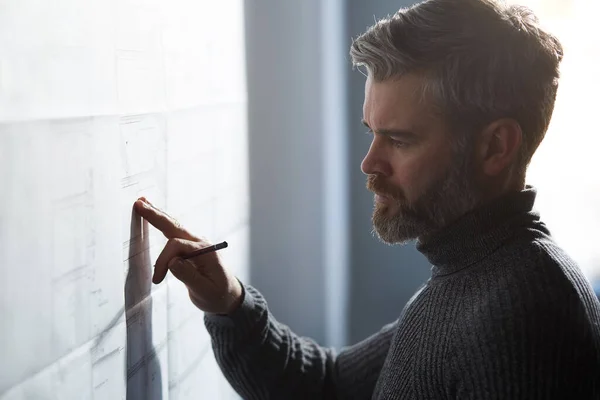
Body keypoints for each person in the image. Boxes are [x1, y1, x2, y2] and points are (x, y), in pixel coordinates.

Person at [134, 0, 600, 398]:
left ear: (495, 147)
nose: (370, 163)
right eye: (372, 133)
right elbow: (330, 388)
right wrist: (228, 301)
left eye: (399, 139)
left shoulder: (521, 312)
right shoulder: (472, 279)